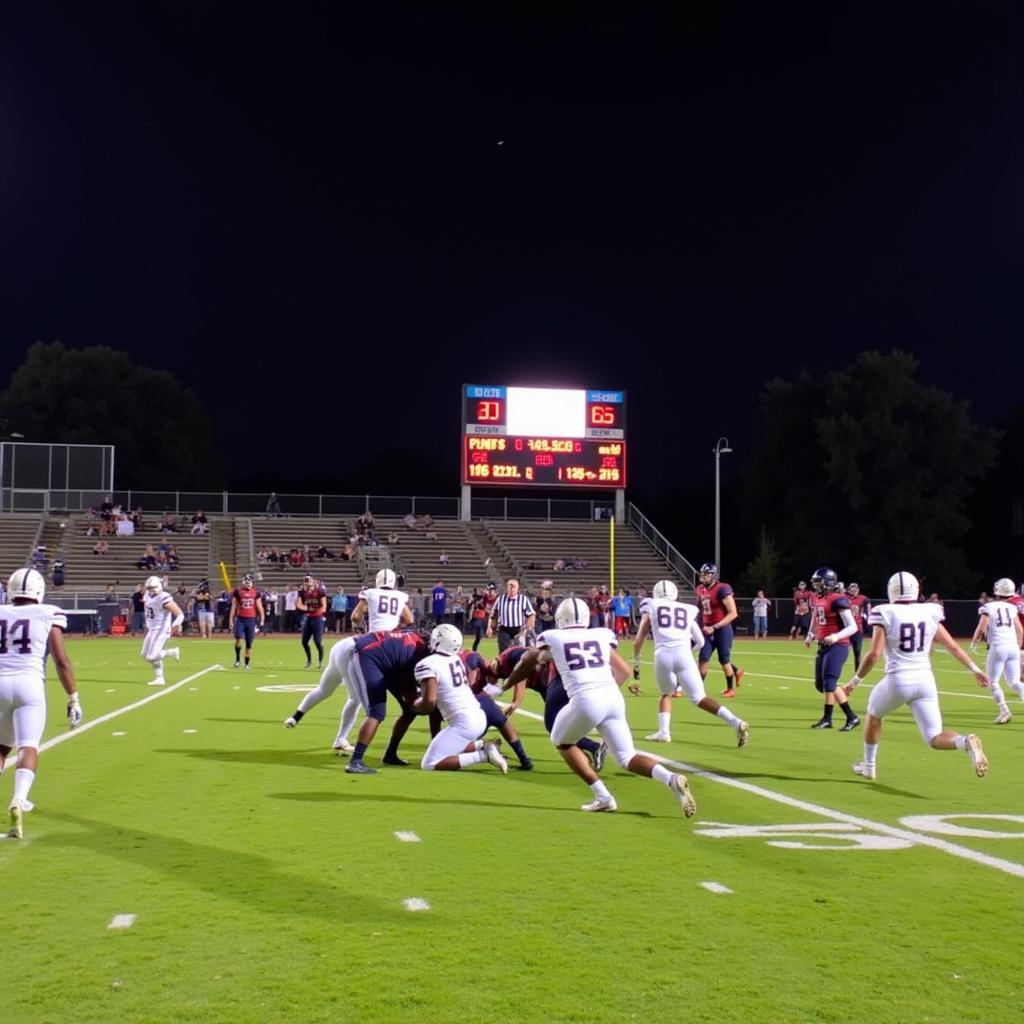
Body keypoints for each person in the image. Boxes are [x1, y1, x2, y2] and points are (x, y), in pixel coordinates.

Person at [539, 596, 697, 816]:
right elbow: (623, 671)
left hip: (586, 699)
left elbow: (536, 655)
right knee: (627, 757)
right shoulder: (601, 635)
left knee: (561, 741)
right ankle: (670, 778)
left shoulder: (553, 636)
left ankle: (603, 796)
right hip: (612, 697)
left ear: (560, 619)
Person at [843, 571, 990, 781]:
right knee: (934, 737)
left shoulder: (885, 611)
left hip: (899, 680)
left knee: (874, 715)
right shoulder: (929, 611)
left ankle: (869, 766)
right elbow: (953, 647)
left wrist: (855, 681)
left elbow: (874, 654)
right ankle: (965, 742)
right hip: (925, 680)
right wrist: (975, 669)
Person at [0, 568, 82, 839]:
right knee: (28, 745)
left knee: (1, 748)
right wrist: (73, 697)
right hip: (30, 684)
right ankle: (19, 799)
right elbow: (61, 660)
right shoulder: (48, 612)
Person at [632, 580, 749, 746]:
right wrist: (687, 653)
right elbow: (700, 641)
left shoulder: (651, 604)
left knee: (666, 694)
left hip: (663, 654)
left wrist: (636, 665)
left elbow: (640, 637)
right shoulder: (686, 609)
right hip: (684, 655)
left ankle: (664, 732)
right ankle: (735, 722)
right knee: (699, 697)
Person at [411, 625, 508, 773]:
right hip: (478, 715)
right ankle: (484, 745)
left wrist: (414, 704)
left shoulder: (427, 664)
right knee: (450, 747)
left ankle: (483, 755)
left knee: (430, 764)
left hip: (464, 722)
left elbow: (429, 704)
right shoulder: (456, 659)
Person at [805, 567, 860, 730]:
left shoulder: (837, 599)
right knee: (821, 684)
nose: (815, 586)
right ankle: (829, 719)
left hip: (839, 644)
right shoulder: (816, 598)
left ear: (828, 583)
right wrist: (810, 633)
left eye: (818, 582)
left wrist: (835, 636)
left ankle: (849, 717)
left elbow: (853, 627)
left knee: (830, 681)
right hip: (823, 644)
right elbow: (816, 617)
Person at [970, 578, 1024, 724]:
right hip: (1012, 646)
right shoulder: (1012, 608)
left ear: (997, 591)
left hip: (998, 647)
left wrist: (974, 641)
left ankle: (1004, 710)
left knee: (993, 681)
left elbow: (982, 627)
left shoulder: (989, 607)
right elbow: (1019, 628)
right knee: (1014, 682)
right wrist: (1018, 645)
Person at [695, 563, 744, 697]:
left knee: (724, 660)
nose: (703, 576)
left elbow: (733, 613)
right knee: (703, 658)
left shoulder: (722, 589)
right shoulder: (699, 589)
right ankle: (699, 689)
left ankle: (730, 689)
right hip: (707, 629)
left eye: (707, 574)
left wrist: (715, 627)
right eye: (702, 574)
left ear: (714, 575)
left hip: (722, 629)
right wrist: (702, 626)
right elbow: (700, 611)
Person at [142, 575, 183, 686]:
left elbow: (180, 614)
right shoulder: (147, 595)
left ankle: (171, 653)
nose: (152, 590)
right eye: (149, 588)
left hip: (161, 629)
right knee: (145, 655)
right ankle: (160, 678)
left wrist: (175, 625)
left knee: (152, 656)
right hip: (152, 629)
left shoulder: (164, 597)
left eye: (153, 587)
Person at [487, 578, 535, 653]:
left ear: (518, 588)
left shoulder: (523, 599)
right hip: (504, 629)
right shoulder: (500, 599)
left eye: (513, 586)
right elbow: (493, 614)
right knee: (504, 652)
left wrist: (528, 629)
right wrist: (490, 627)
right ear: (507, 587)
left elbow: (531, 614)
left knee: (520, 652)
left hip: (518, 629)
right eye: (509, 586)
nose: (511, 588)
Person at [229, 573, 265, 670]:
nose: (249, 584)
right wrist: (230, 620)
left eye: (251, 582)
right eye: (247, 582)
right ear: (244, 582)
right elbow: (234, 606)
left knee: (249, 644)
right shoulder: (238, 592)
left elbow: (259, 607)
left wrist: (262, 620)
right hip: (240, 619)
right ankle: (237, 659)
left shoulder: (256, 593)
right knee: (239, 640)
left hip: (251, 620)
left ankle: (247, 664)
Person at [296, 574, 327, 669]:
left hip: (317, 617)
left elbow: (324, 607)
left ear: (313, 581)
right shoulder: (302, 592)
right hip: (308, 617)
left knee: (317, 641)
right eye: (306, 582)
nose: (308, 584)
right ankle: (309, 661)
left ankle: (320, 661)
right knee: (304, 641)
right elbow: (299, 604)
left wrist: (316, 610)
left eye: (309, 581)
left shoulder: (320, 591)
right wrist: (306, 608)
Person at [846, 583, 870, 669]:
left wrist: (868, 618)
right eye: (852, 589)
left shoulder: (863, 598)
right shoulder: (845, 598)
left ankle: (857, 674)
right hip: (847, 628)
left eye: (855, 589)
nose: (853, 591)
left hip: (857, 628)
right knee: (843, 651)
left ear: (858, 590)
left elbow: (868, 609)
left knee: (857, 652)